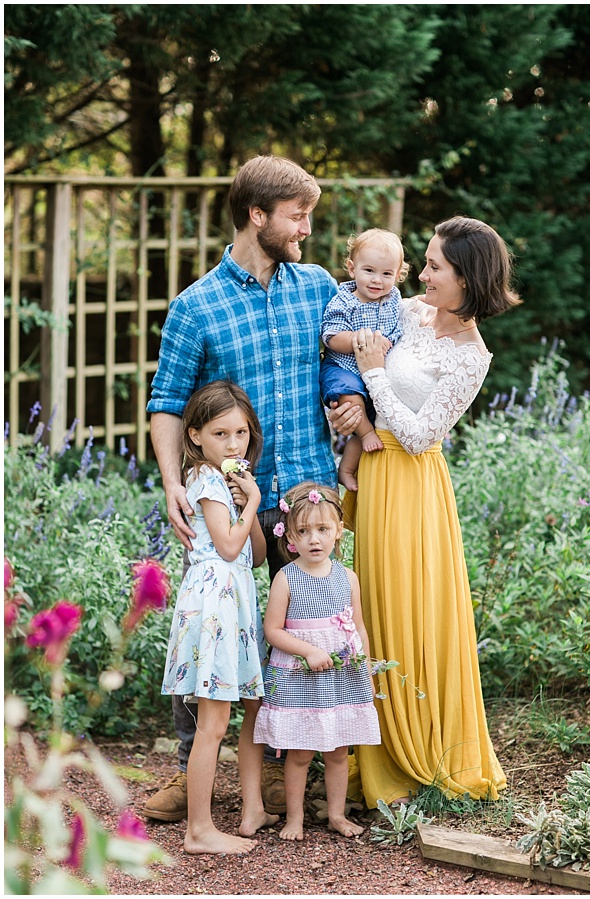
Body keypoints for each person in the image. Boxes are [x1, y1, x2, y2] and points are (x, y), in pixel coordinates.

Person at [145, 155, 360, 821]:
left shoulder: (318, 285)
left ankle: (280, 764)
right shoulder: (195, 305)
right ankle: (192, 772)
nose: (307, 228)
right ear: (257, 215)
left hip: (307, 497)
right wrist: (174, 481)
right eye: (298, 216)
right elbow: (166, 403)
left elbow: (357, 348)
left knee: (295, 627)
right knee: (214, 622)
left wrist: (357, 406)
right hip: (228, 500)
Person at [345, 216, 521, 805]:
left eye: (434, 266)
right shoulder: (410, 312)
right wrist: (356, 416)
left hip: (413, 485)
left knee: (406, 606)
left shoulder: (472, 356)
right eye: (423, 262)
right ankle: (360, 743)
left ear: (467, 279)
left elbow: (422, 434)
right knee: (368, 604)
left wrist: (372, 375)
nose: (420, 274)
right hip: (373, 472)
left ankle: (410, 753)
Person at [158, 381, 276, 854]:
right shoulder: (206, 480)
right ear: (195, 437)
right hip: (216, 604)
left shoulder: (229, 483)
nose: (234, 445)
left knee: (251, 707)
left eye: (242, 434)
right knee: (214, 721)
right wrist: (250, 503)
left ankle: (253, 810)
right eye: (221, 434)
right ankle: (199, 830)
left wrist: (252, 500)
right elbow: (229, 547)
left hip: (236, 599)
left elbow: (257, 554)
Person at [253, 482, 381, 841]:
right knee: (299, 753)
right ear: (290, 535)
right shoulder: (287, 577)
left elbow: (358, 628)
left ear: (338, 532)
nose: (314, 539)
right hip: (301, 678)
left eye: (323, 530)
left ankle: (336, 815)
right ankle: (295, 819)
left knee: (340, 752)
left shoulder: (347, 578)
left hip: (340, 677)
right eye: (304, 531)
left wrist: (366, 669)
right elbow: (272, 630)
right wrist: (307, 650)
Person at [320, 229, 409, 492]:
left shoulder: (394, 300)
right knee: (355, 407)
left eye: (386, 274)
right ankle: (366, 433)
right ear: (351, 268)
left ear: (398, 275)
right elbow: (331, 337)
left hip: (375, 375)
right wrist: (362, 339)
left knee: (371, 418)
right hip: (343, 369)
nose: (376, 280)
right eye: (368, 270)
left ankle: (346, 471)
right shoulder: (344, 299)